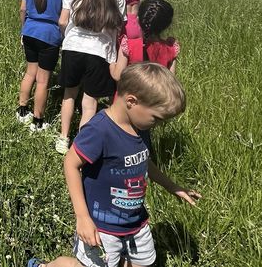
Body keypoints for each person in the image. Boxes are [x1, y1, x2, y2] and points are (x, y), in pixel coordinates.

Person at [28, 63, 200, 267]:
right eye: (157, 119)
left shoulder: (140, 126)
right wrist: (82, 217)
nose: (158, 125)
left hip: (135, 221)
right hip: (101, 226)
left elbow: (145, 161)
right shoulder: (100, 130)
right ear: (131, 101)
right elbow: (70, 163)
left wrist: (173, 187)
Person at [56, 0, 125, 154]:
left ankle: (62, 138)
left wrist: (67, 37)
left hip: (73, 47)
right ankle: (81, 147)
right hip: (100, 51)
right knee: (89, 103)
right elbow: (118, 25)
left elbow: (62, 21)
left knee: (69, 95)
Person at [17, 0, 74, 132]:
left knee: (29, 73)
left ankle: (22, 110)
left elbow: (23, 8)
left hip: (30, 30)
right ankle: (38, 121)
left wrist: (23, 30)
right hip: (50, 35)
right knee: (43, 80)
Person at [111, 0, 180, 81]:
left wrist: (111, 64)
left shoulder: (128, 45)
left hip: (129, 93)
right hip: (155, 94)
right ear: (167, 25)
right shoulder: (171, 49)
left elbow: (117, 76)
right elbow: (171, 80)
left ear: (138, 19)